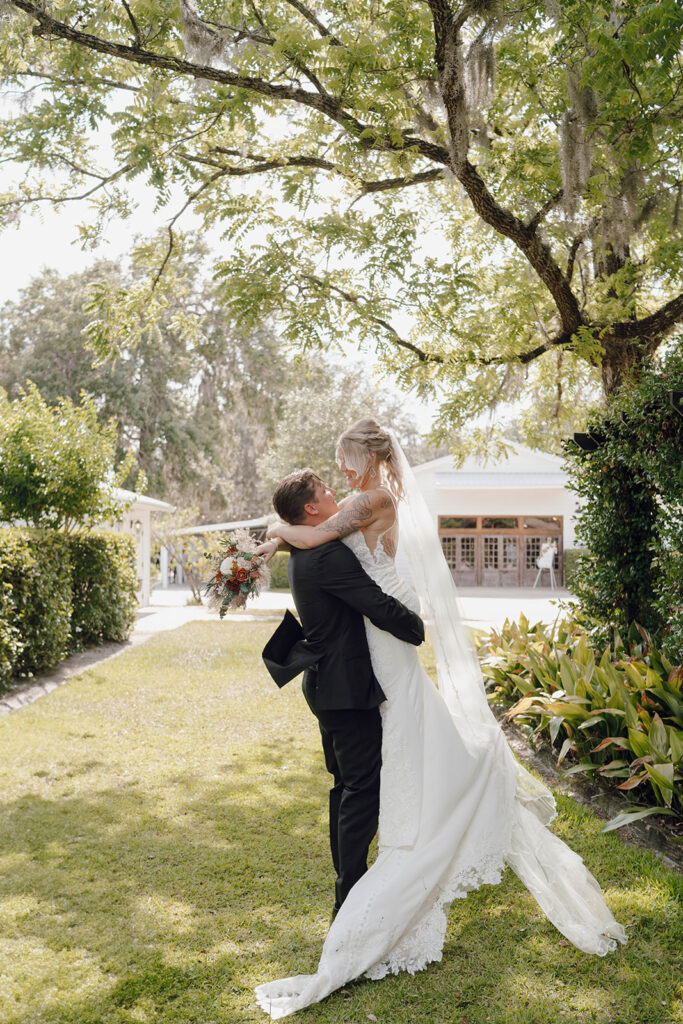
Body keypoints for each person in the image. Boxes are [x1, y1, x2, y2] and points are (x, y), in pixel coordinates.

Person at [254, 419, 627, 1020]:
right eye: (336, 465)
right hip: (370, 651)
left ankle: (431, 818)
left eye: (347, 459)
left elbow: (320, 534)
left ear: (372, 456)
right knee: (392, 755)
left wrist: (275, 530)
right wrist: (281, 534)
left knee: (393, 754)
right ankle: (419, 819)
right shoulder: (361, 500)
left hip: (385, 642)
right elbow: (319, 535)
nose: (343, 470)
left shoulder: (371, 499)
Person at [260, 468, 425, 919]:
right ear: (312, 508)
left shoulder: (303, 550)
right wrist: (417, 627)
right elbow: (372, 601)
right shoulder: (325, 556)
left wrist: (278, 535)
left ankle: (347, 885)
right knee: (361, 790)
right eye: (326, 491)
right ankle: (349, 895)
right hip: (345, 690)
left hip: (327, 685)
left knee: (345, 788)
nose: (336, 492)